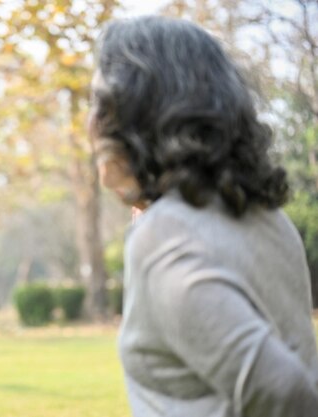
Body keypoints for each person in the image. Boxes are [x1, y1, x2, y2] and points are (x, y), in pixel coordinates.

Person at [88, 16, 318, 417]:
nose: (90, 123)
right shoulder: (268, 218)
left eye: (98, 104)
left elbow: (286, 393)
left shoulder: (166, 235)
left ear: (140, 115)